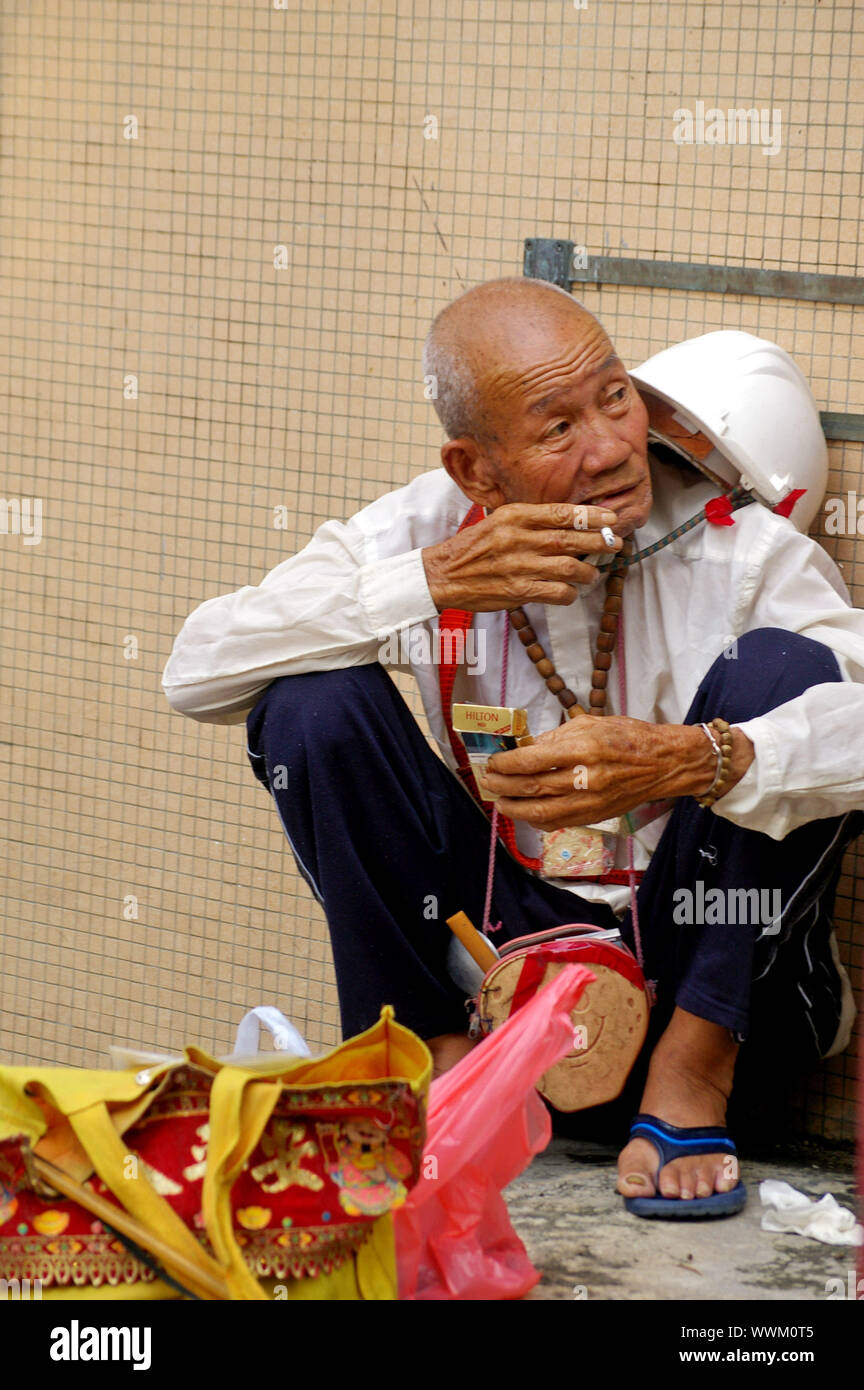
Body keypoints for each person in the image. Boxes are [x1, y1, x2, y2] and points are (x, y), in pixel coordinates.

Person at [162, 277, 864, 1218]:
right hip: (500, 954)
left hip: (704, 957)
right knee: (311, 705)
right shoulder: (423, 532)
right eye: (557, 427)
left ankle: (693, 1072)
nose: (612, 449)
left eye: (616, 397)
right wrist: (424, 583)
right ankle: (429, 1063)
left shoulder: (737, 552)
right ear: (476, 470)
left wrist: (698, 758)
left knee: (786, 672)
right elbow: (195, 668)